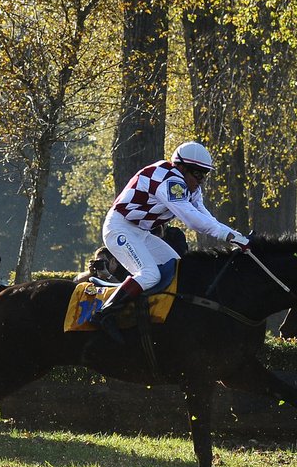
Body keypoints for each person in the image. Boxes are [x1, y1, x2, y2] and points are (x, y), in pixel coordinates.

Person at [90, 141, 249, 341]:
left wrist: (235, 235)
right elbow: (192, 220)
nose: (200, 180)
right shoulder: (169, 180)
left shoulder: (190, 187)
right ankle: (105, 314)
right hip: (119, 228)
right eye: (198, 174)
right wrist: (230, 236)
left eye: (204, 174)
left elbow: (206, 217)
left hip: (140, 232)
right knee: (150, 274)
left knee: (178, 270)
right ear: (181, 168)